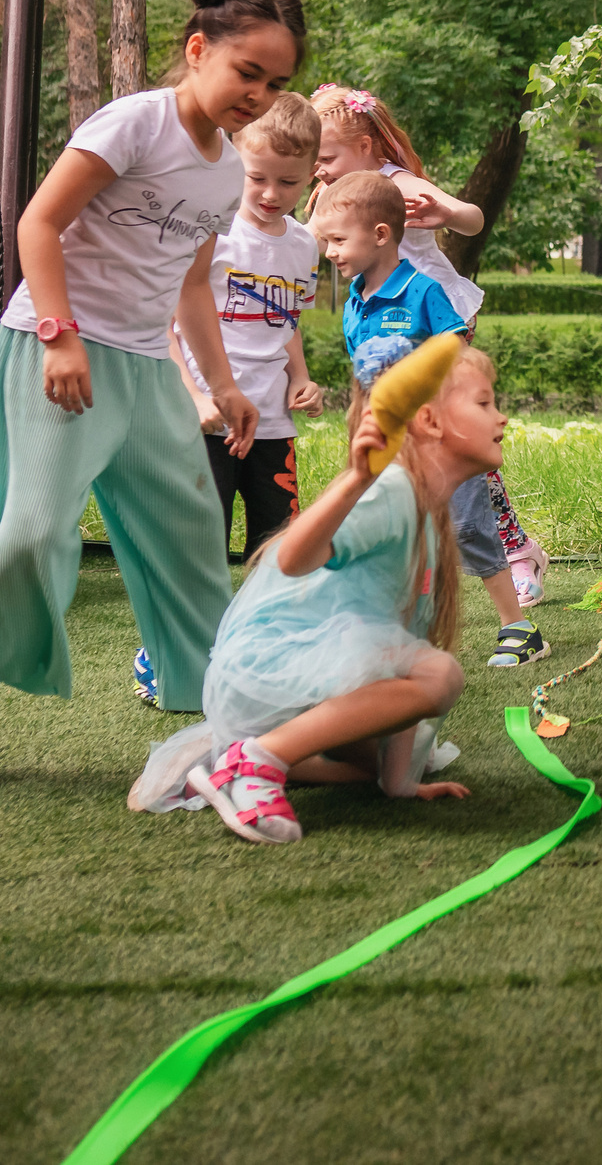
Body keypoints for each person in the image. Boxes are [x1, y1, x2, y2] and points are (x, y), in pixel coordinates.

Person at [0, 0, 301, 773]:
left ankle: (217, 702)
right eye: (248, 71)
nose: (259, 94)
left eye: (275, 83)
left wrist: (223, 384)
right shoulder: (134, 123)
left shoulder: (226, 170)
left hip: (146, 368)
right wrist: (59, 334)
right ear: (198, 49)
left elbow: (191, 285)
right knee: (32, 530)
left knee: (190, 533)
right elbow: (39, 221)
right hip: (58, 349)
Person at [128, 340, 504, 844]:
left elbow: (402, 639)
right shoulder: (391, 491)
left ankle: (237, 761)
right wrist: (357, 478)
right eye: (484, 402)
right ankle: (257, 760)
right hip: (271, 674)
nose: (501, 417)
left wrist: (398, 783)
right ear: (430, 422)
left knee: (391, 748)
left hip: (302, 681)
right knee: (440, 676)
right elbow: (293, 558)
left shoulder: (428, 517)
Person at [312, 84, 549, 609]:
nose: (317, 168)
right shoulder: (332, 194)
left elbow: (473, 216)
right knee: (410, 452)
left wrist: (446, 215)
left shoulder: (399, 181)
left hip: (435, 317)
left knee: (457, 441)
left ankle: (514, 550)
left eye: (325, 157)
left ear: (366, 146)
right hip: (381, 320)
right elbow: (302, 244)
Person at [137, 91, 328, 706]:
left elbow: (286, 318)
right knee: (198, 546)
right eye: (257, 177)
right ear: (236, 160)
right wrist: (195, 396)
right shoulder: (211, 230)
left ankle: (261, 653)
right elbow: (168, 322)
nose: (271, 193)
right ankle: (164, 654)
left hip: (272, 426)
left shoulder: (304, 245)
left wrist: (300, 378)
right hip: (206, 424)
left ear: (311, 176)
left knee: (278, 547)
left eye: (288, 182)